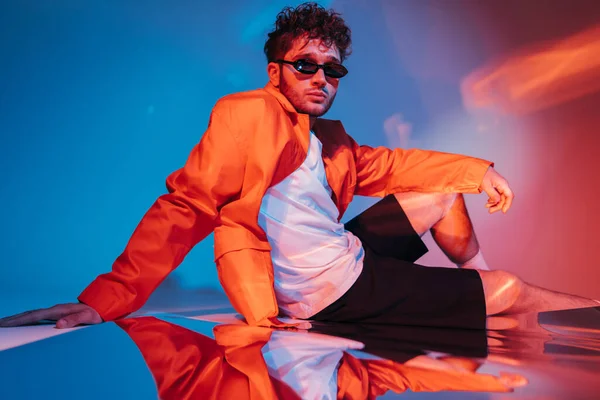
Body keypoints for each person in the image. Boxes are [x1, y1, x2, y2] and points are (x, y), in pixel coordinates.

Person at [1, 2, 597, 331]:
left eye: (330, 70)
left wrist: (477, 170)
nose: (319, 78)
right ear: (275, 72)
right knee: (513, 290)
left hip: (346, 252)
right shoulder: (246, 115)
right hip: (324, 291)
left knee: (445, 190)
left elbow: (393, 164)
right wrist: (108, 298)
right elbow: (185, 204)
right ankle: (515, 303)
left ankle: (486, 307)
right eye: (305, 65)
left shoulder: (329, 136)